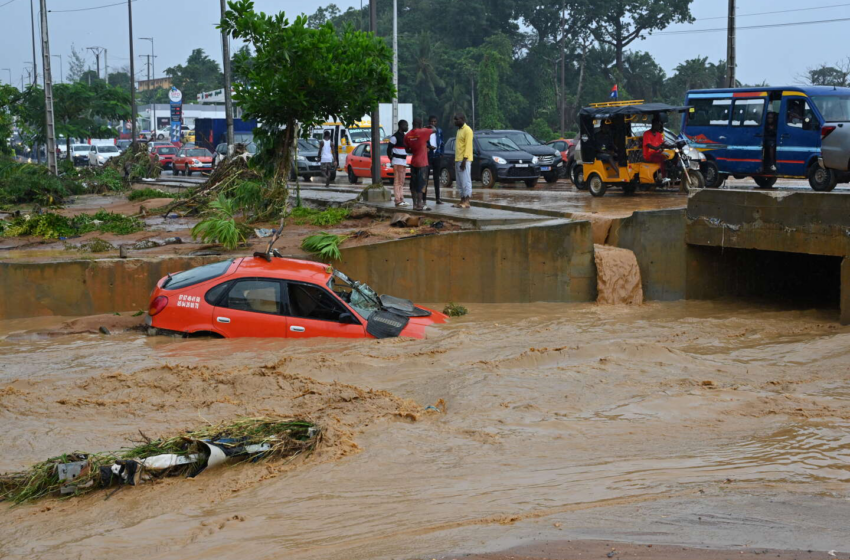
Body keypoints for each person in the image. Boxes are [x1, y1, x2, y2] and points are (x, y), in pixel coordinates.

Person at [404, 118, 433, 211]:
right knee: (421, 185)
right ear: (420, 124)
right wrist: (427, 127)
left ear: (412, 124)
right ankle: (420, 204)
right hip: (423, 163)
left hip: (414, 162)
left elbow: (407, 150)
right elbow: (434, 129)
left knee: (413, 184)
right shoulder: (423, 132)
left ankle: (414, 204)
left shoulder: (408, 135)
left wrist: (414, 149)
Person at [387, 120, 410, 207]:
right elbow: (389, 149)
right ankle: (397, 200)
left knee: (402, 181)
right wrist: (391, 158)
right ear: (401, 126)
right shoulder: (394, 137)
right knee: (397, 181)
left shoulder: (404, 137)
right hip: (397, 161)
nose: (407, 127)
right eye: (405, 125)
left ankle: (401, 199)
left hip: (403, 162)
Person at [453, 113, 473, 208]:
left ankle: (467, 201)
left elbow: (468, 146)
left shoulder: (467, 130)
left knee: (466, 181)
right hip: (458, 159)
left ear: (462, 119)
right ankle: (462, 200)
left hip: (464, 160)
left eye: (456, 119)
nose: (455, 121)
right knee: (459, 182)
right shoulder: (459, 130)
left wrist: (464, 160)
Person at [642, 116, 668, 181]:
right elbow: (648, 144)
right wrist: (656, 148)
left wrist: (672, 145)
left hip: (657, 153)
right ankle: (663, 177)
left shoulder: (659, 134)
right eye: (658, 125)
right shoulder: (646, 134)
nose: (659, 127)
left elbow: (662, 144)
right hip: (649, 155)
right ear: (653, 125)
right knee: (661, 158)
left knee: (671, 156)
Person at [426, 115, 445, 204]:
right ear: (429, 122)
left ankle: (438, 198)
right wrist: (428, 147)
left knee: (436, 178)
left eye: (434, 122)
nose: (433, 123)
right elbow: (423, 142)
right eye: (431, 122)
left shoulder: (439, 131)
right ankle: (423, 199)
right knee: (425, 177)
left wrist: (441, 153)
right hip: (428, 156)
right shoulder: (425, 131)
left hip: (437, 156)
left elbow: (442, 143)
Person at [763, 111, 778, 175]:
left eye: (771, 118)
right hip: (767, 140)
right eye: (768, 118)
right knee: (771, 145)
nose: (770, 119)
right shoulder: (765, 124)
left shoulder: (776, 124)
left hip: (774, 139)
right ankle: (771, 163)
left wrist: (773, 130)